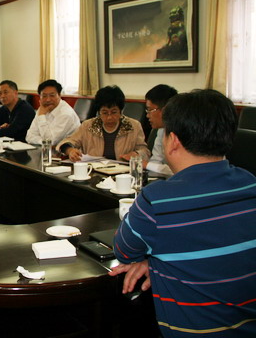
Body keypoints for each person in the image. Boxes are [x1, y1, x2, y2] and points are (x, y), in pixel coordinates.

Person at [109, 89, 256, 337]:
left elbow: (123, 251)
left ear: (173, 140)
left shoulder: (157, 200)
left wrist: (152, 260)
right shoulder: (250, 184)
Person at [57, 85, 149, 162]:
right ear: (99, 112)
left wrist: (136, 154)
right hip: (94, 172)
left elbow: (145, 151)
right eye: (104, 113)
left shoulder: (133, 126)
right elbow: (66, 142)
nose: (109, 117)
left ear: (121, 110)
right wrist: (70, 150)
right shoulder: (88, 125)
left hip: (123, 174)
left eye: (114, 112)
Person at [25, 79, 80, 145]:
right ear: (40, 97)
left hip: (68, 150)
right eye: (44, 96)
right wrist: (43, 141)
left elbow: (51, 141)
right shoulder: (42, 108)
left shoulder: (66, 114)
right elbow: (29, 136)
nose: (48, 100)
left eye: (52, 95)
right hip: (46, 148)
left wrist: (41, 116)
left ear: (59, 95)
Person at [144, 84, 178, 176]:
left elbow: (178, 169)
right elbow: (156, 160)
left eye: (150, 110)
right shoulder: (161, 130)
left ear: (164, 110)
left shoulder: (182, 131)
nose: (147, 115)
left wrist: (146, 165)